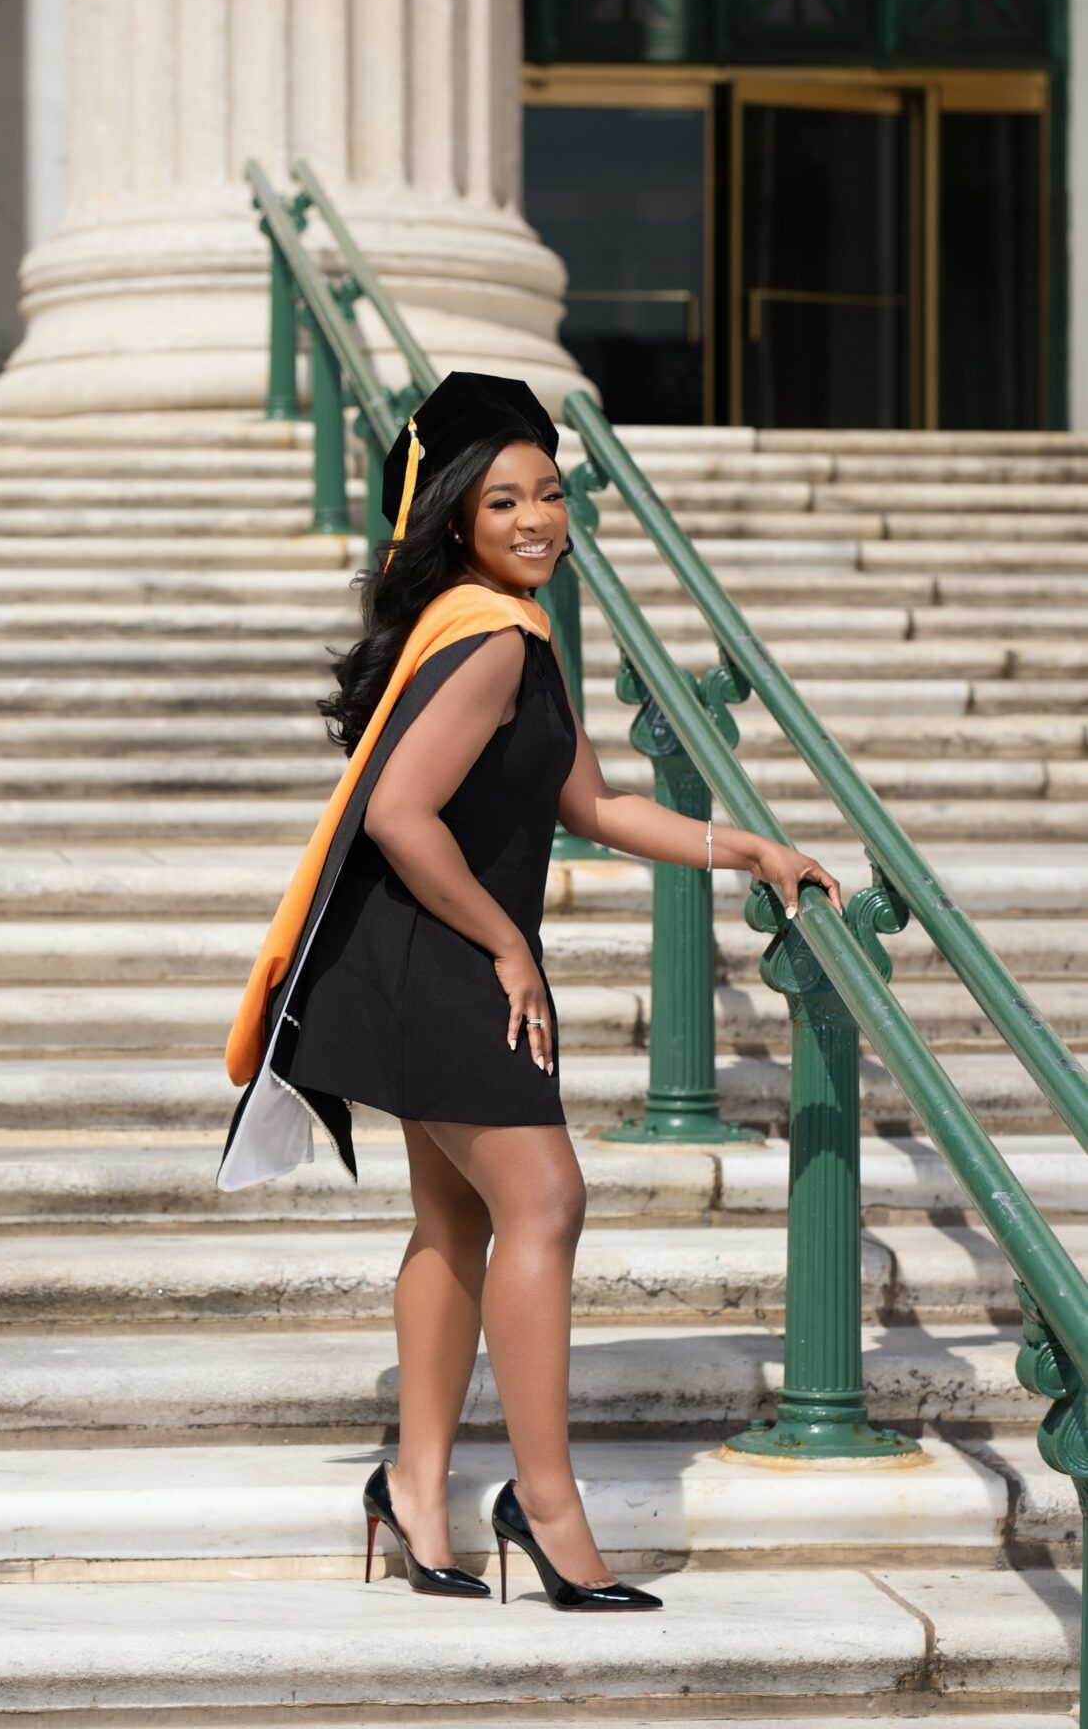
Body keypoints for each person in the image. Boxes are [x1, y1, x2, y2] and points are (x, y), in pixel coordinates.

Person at [218, 371, 843, 1611]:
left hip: (418, 950)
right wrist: (508, 943)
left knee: (455, 1221)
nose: (535, 518)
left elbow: (592, 804)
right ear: (454, 514)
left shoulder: (513, 629)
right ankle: (544, 1505)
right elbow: (399, 814)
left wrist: (746, 846)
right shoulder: (490, 637)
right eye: (502, 499)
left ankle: (415, 1485)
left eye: (549, 492)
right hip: (441, 956)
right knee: (545, 1197)